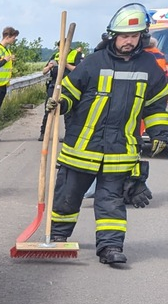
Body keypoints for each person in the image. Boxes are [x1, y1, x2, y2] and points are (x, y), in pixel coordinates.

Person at [45, 3, 168, 265]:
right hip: (81, 149)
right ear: (113, 35)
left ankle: (111, 248)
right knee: (67, 197)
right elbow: (68, 93)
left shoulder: (151, 68)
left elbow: (155, 106)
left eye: (134, 36)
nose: (129, 41)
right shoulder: (92, 62)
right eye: (124, 36)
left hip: (119, 151)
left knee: (111, 203)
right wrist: (59, 103)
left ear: (142, 37)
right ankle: (57, 237)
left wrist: (160, 133)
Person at [39, 39, 83, 141]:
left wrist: (66, 64)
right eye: (60, 47)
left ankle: (68, 134)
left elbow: (79, 70)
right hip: (54, 85)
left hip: (68, 86)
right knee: (49, 109)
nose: (61, 49)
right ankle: (43, 133)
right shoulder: (55, 56)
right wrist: (49, 66)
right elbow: (44, 71)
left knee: (68, 112)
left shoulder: (75, 55)